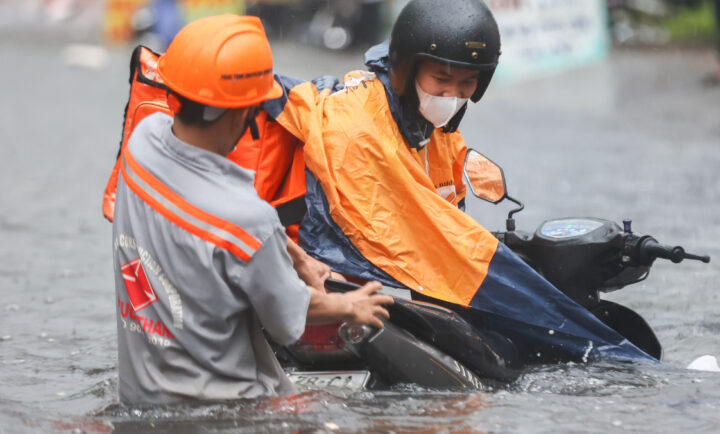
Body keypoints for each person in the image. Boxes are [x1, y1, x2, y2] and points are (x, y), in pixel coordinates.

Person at [271, 0, 654, 364]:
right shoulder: (362, 131)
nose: (453, 95)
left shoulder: (434, 131)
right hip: (296, 272)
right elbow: (428, 244)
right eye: (441, 79)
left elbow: (446, 227)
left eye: (467, 82)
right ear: (406, 68)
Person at [111, 14, 392, 405]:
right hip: (233, 412)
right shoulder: (245, 221)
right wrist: (351, 306)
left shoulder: (140, 146)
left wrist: (293, 256)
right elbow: (287, 318)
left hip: (140, 397)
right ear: (246, 111)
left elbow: (237, 239)